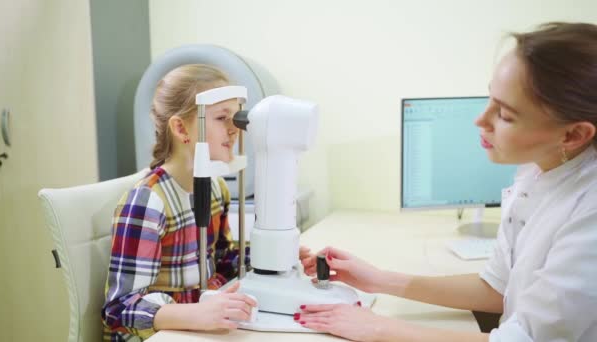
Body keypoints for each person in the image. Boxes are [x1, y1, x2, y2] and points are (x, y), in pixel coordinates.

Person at [298, 22, 597, 341]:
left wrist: (377, 328)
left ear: (573, 134)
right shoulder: (539, 172)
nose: (480, 120)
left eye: (505, 115)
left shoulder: (588, 214)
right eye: (490, 99)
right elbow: (499, 288)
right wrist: (379, 280)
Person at [101, 64, 315, 340]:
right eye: (221, 118)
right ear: (180, 128)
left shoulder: (215, 189)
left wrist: (274, 258)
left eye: (236, 116)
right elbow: (119, 310)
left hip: (202, 324)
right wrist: (195, 314)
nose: (234, 129)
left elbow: (223, 260)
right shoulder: (147, 203)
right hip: (162, 333)